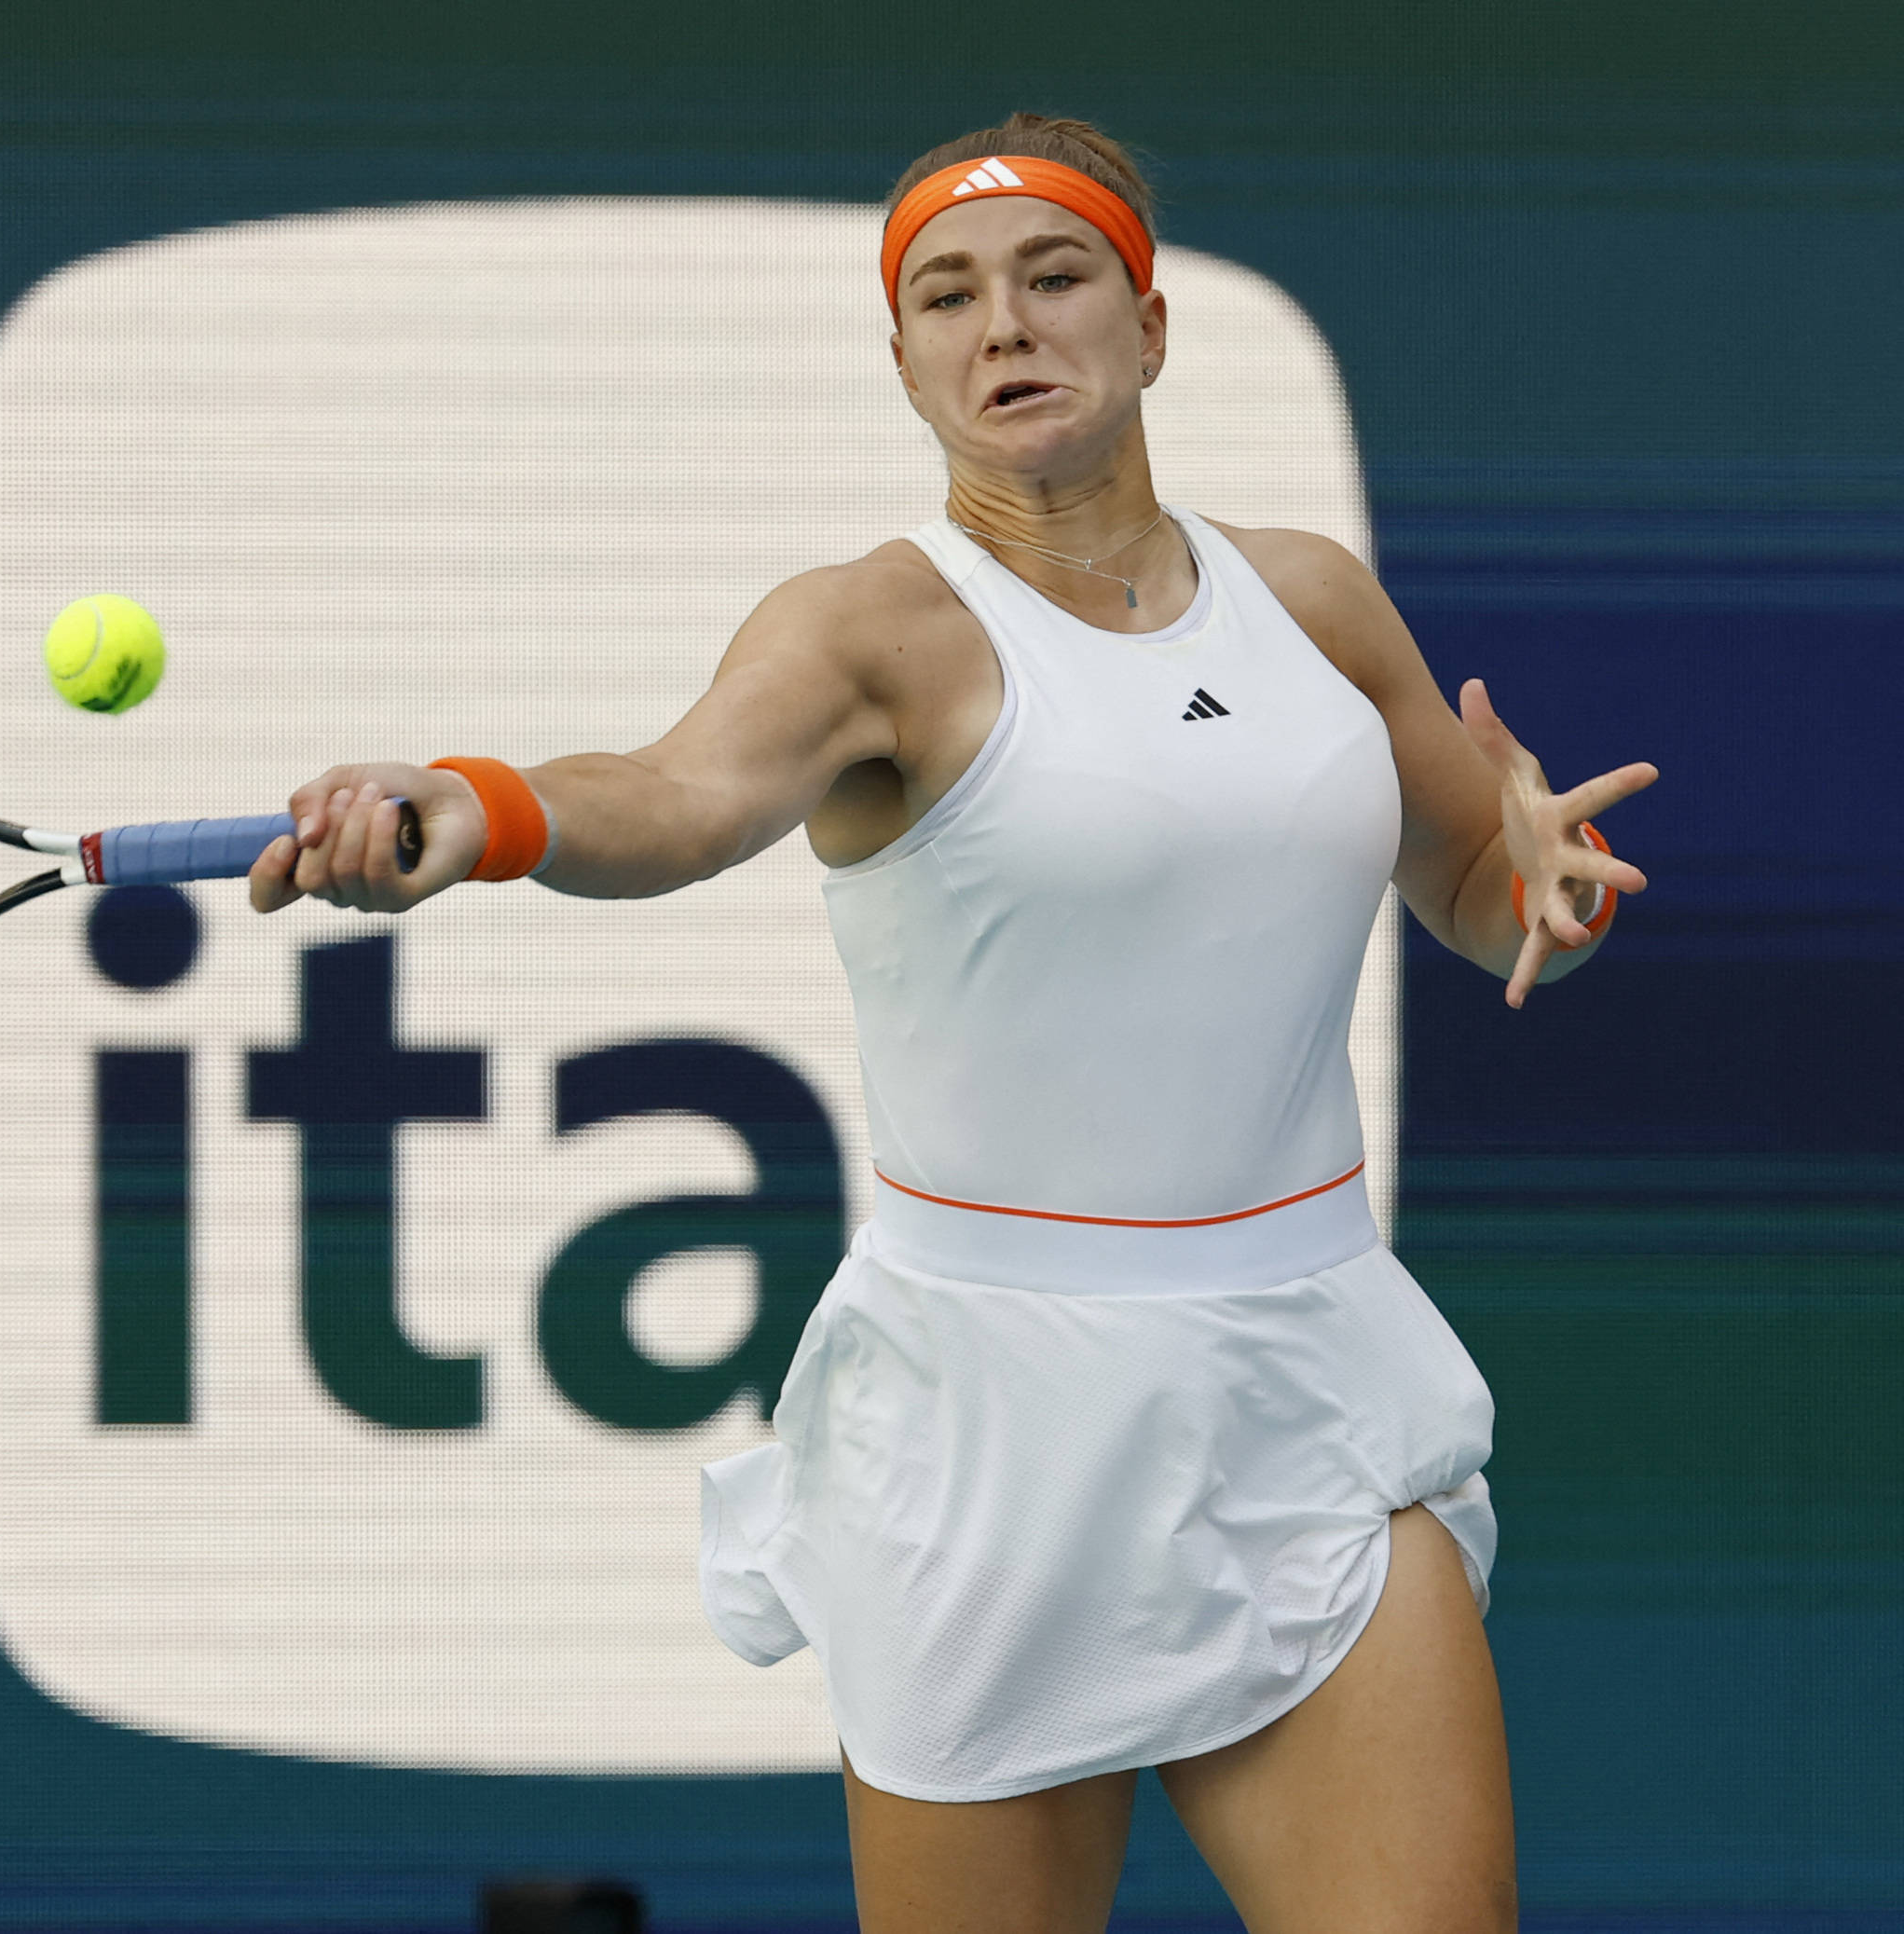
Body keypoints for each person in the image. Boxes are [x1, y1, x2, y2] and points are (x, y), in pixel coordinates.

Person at [247, 113, 1655, 1934]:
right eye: (948, 296)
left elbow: (1473, 887)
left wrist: (1545, 894)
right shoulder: (870, 634)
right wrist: (477, 807)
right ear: (903, 361)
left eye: (1054, 277)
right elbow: (672, 797)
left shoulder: (1309, 599)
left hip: (1309, 1383)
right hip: (987, 1428)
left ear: (1149, 327)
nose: (1004, 325)